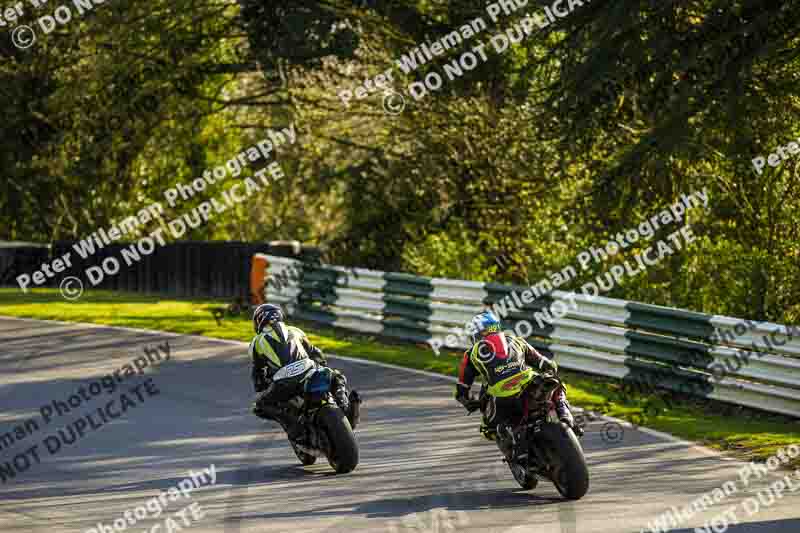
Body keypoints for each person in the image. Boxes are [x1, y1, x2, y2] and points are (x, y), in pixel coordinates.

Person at [454, 310, 578, 456]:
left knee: (487, 430)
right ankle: (564, 412)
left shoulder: (471, 354)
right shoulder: (516, 340)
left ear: (476, 333)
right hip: (530, 383)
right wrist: (550, 368)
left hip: (501, 396)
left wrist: (468, 402)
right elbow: (545, 363)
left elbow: (462, 388)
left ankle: (515, 451)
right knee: (556, 384)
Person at [249, 304, 360, 442]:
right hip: (309, 372)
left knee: (260, 405)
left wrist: (261, 387)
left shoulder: (256, 342)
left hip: (285, 383)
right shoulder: (295, 330)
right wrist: (323, 367)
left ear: (259, 321)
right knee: (337, 377)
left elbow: (257, 373)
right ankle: (344, 403)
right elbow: (315, 352)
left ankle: (292, 425)